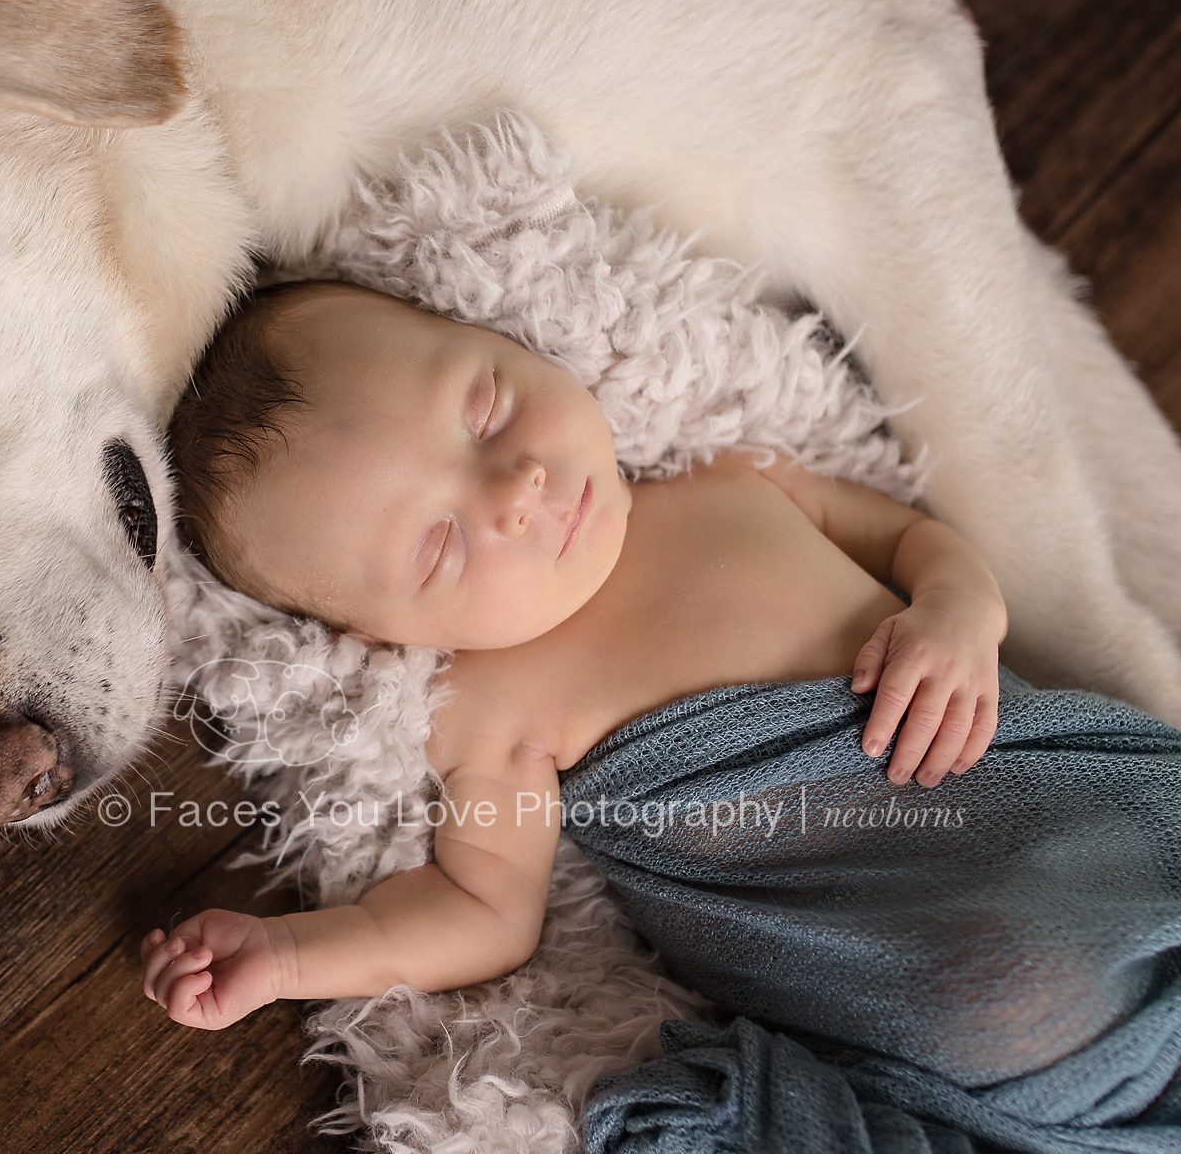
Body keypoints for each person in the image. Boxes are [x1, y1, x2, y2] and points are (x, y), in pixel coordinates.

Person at [138, 279, 1181, 1149]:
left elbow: (917, 544)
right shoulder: (487, 708)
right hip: (944, 985)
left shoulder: (735, 482)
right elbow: (480, 917)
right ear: (379, 639)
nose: (516, 487)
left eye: (486, 408)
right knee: (993, 981)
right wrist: (285, 959)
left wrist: (958, 612)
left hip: (1075, 816)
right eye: (440, 547)